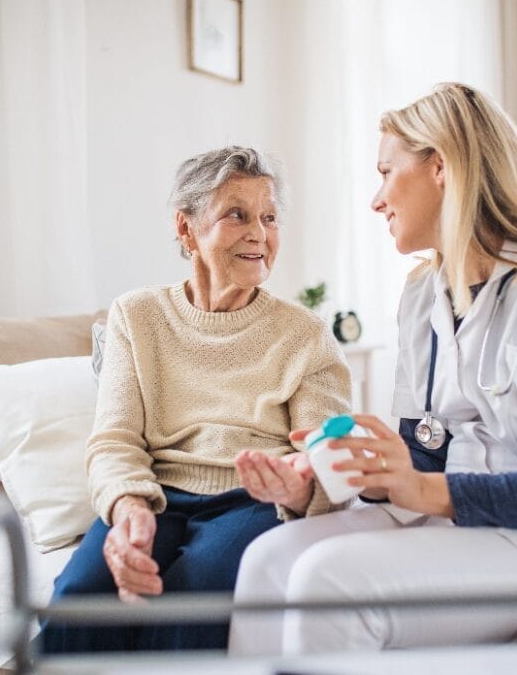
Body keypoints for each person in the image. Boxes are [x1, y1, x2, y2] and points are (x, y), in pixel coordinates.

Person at [229, 83, 517, 655]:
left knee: (330, 582)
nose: (376, 199)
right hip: (466, 515)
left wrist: (424, 488)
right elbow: (425, 456)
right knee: (267, 559)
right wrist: (335, 471)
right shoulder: (421, 297)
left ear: (441, 166)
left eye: (386, 172)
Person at [40, 146, 351, 653]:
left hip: (253, 501)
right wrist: (126, 507)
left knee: (194, 595)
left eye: (269, 218)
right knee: (81, 597)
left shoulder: (306, 334)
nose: (259, 233)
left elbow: (329, 460)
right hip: (157, 493)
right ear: (186, 229)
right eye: (237, 214)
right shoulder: (137, 315)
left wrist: (299, 488)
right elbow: (114, 438)